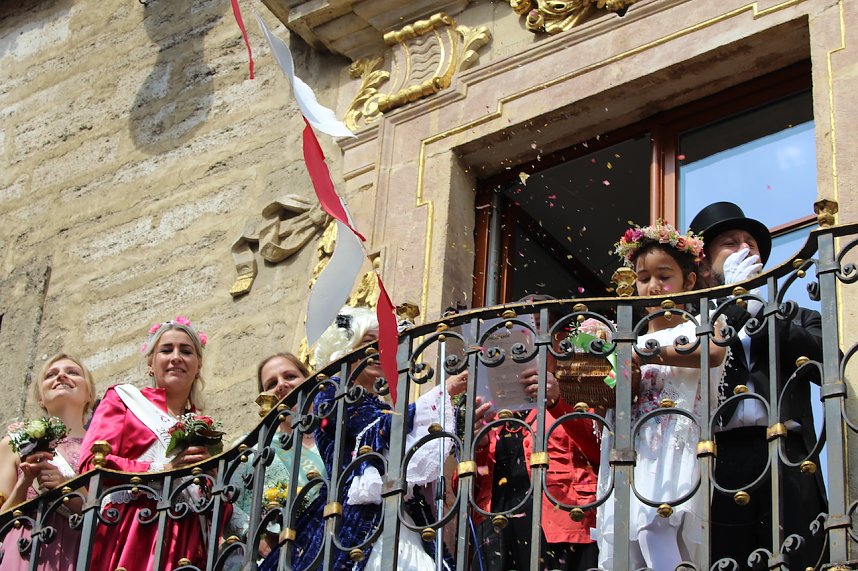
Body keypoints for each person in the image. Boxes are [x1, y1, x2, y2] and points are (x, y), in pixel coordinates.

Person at [690, 202, 828, 569]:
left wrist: (755, 309)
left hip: (787, 457)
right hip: (718, 458)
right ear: (703, 267)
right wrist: (731, 304)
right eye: (731, 243)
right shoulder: (691, 327)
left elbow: (825, 364)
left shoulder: (798, 316)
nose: (745, 249)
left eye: (750, 243)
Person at [287, 305, 464, 571]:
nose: (380, 351)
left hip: (399, 516)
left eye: (383, 344)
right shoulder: (332, 392)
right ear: (347, 348)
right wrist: (441, 394)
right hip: (357, 517)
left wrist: (459, 416)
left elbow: (410, 445)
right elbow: (378, 430)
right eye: (370, 342)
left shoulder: (378, 403)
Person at [594, 220, 727, 570]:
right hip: (633, 451)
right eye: (643, 278)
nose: (653, 287)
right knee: (632, 545)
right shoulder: (626, 340)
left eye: (664, 275)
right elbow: (608, 394)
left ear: (690, 281)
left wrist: (648, 355)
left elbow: (713, 352)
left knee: (657, 527)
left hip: (673, 447)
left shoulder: (697, 323)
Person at [78, 316, 224, 571]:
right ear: (150, 364)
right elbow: (92, 465)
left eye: (186, 351)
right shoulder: (124, 400)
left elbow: (220, 510)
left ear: (198, 365)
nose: (176, 357)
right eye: (166, 350)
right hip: (133, 528)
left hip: (189, 539)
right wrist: (161, 470)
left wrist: (212, 477)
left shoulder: (204, 428)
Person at [468, 365, 601, 570]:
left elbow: (600, 448)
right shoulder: (490, 413)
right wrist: (480, 447)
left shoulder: (573, 391)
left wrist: (558, 401)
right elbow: (466, 489)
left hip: (562, 528)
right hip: (497, 537)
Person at [226, 352, 326, 567]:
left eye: (289, 376)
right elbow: (227, 502)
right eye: (271, 383)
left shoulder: (335, 432)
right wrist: (255, 536)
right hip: (291, 556)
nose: (281, 385)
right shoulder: (255, 451)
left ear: (308, 380)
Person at [0, 353, 96, 570]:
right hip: (25, 548)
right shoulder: (13, 445)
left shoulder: (101, 448)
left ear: (89, 393)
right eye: (50, 375)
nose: (61, 376)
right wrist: (24, 483)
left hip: (81, 548)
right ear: (40, 398)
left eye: (72, 372)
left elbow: (109, 512)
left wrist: (65, 487)